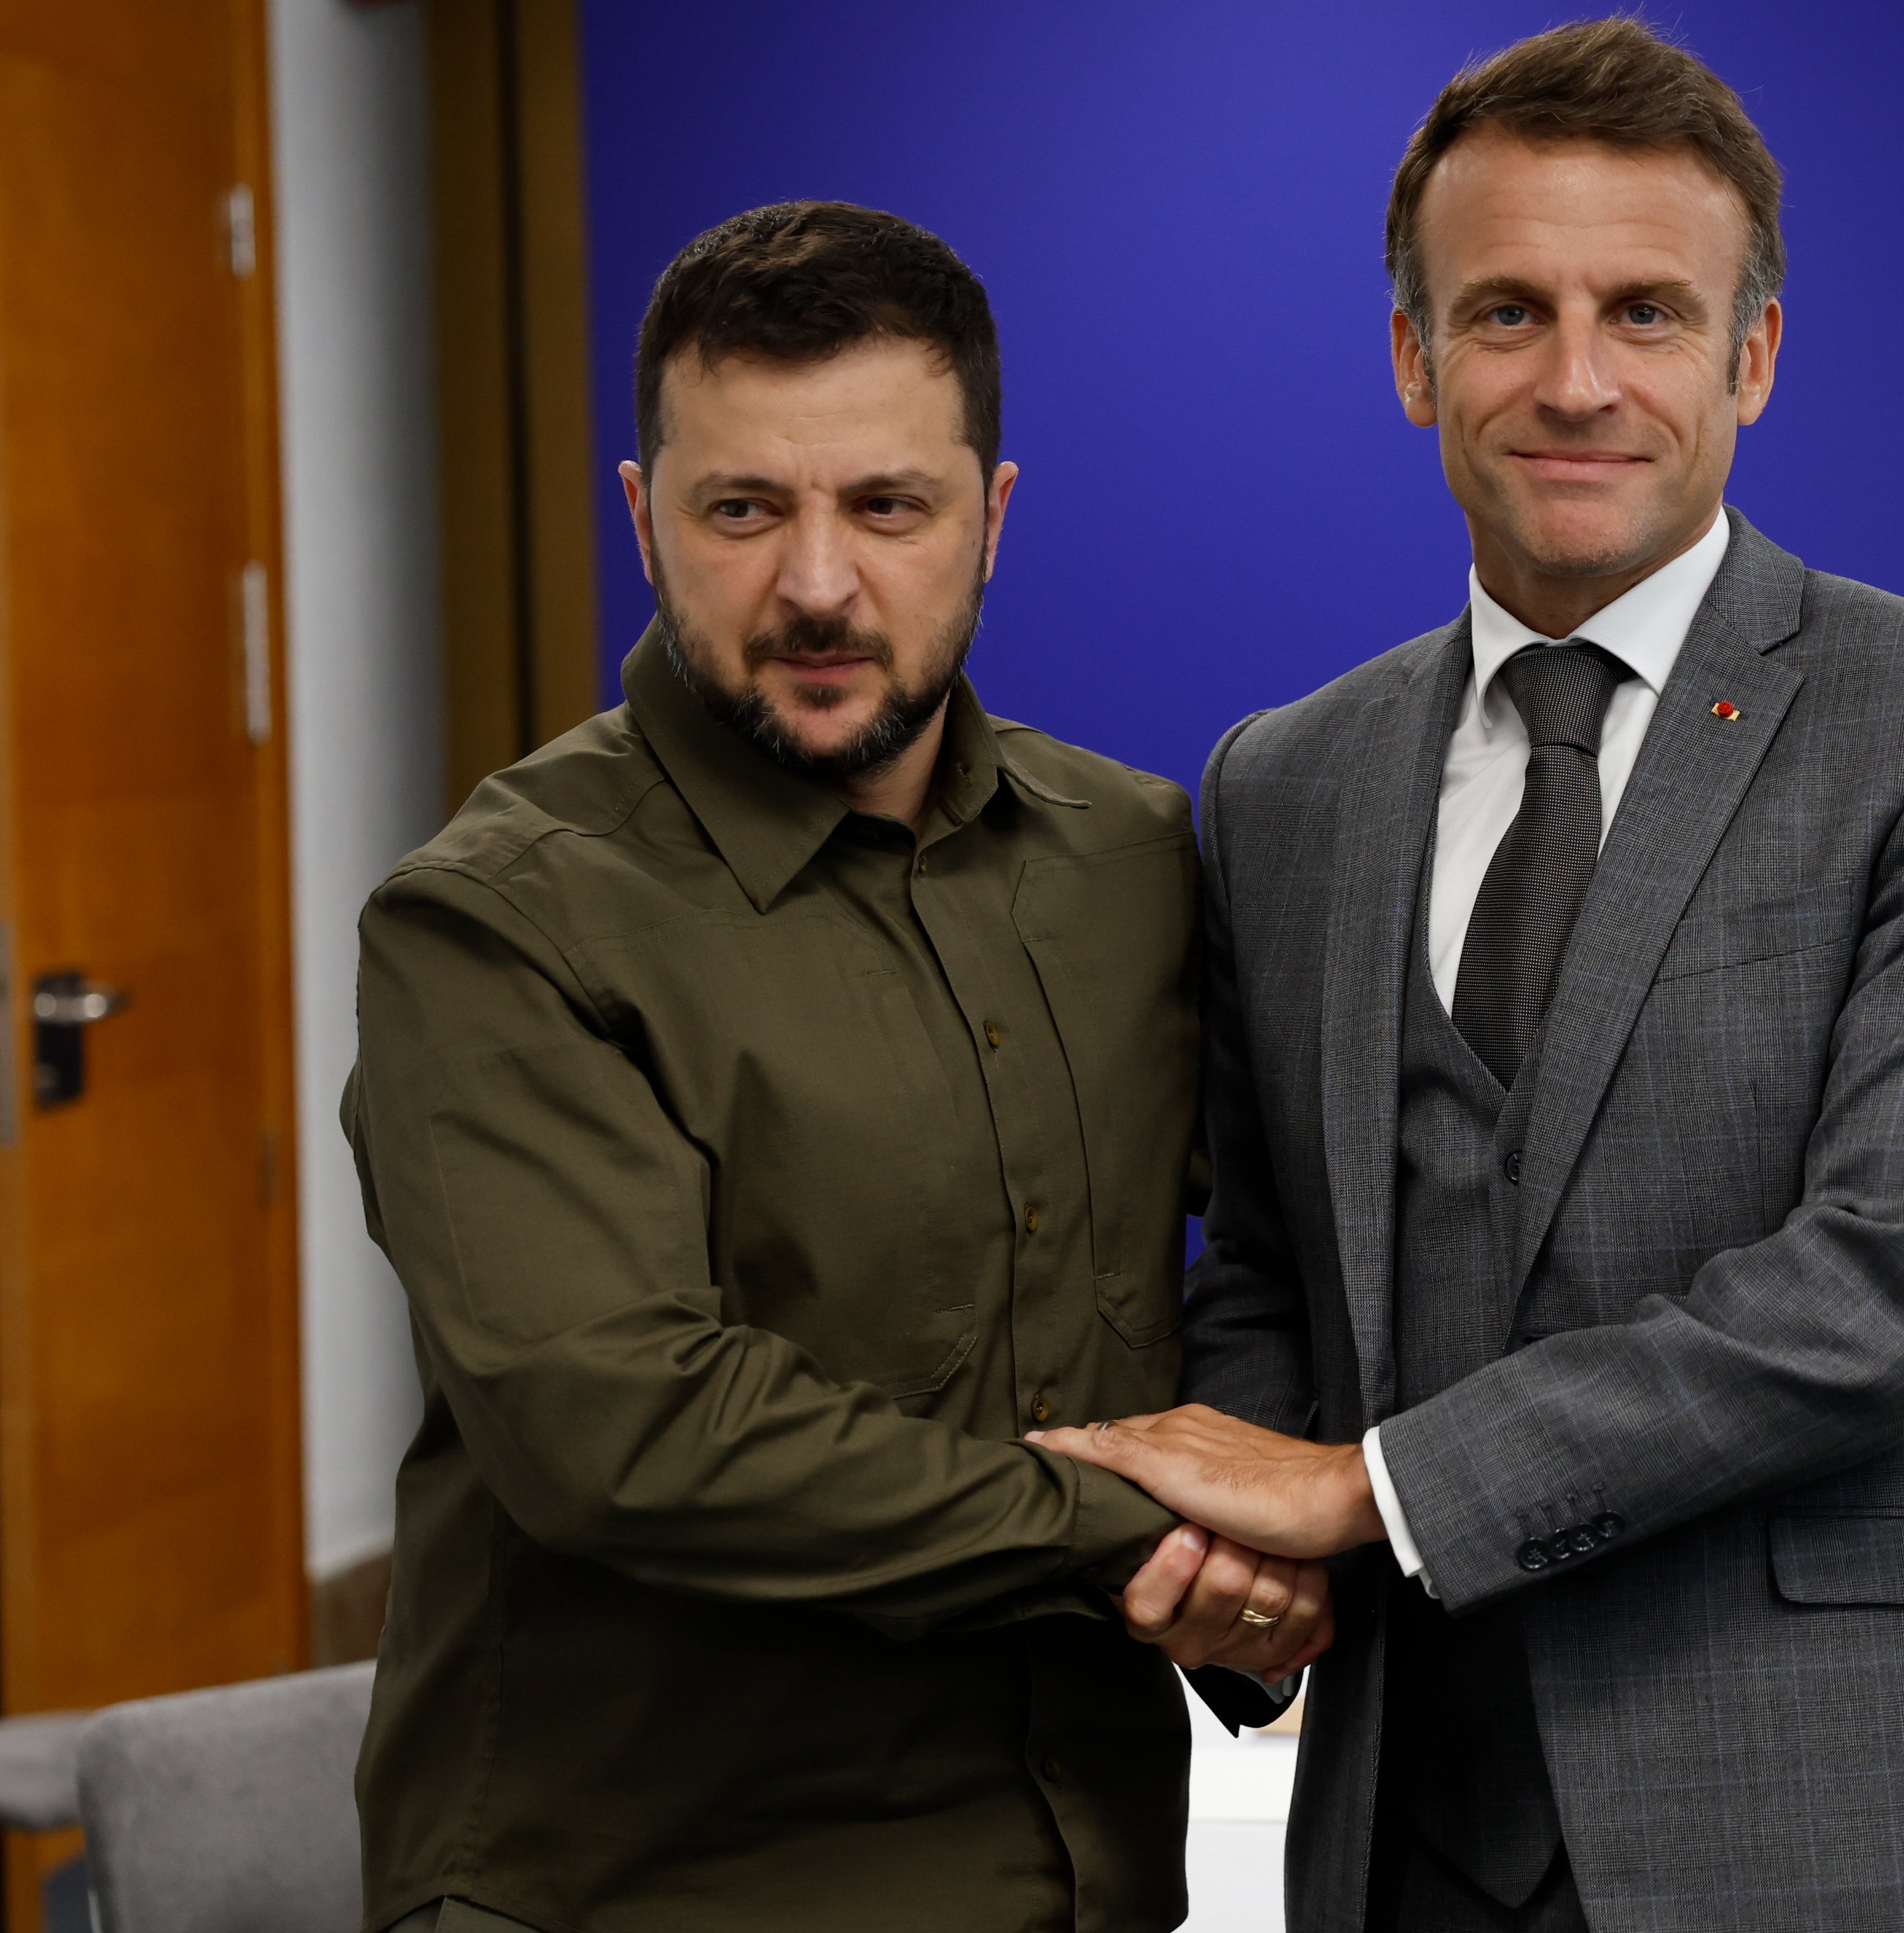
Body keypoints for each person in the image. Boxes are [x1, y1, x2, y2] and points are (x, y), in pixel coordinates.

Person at [1035, 21, 1904, 1932]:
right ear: (1410, 355)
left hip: (1847, 1824)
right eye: (1506, 312)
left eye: (1643, 311)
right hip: (1407, 1840)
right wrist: (1249, 1585)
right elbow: (1273, 1263)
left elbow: (1893, 1287)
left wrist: (1361, 1498)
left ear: (1751, 356)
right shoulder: (1282, 782)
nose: (1575, 379)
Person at [343, 201, 1324, 1933]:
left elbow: (1263, 1259)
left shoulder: (1132, 859)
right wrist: (1131, 1536)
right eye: (743, 508)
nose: (815, 582)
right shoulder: (494, 924)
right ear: (643, 517)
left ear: (989, 520)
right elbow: (623, 1427)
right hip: (651, 1890)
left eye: (887, 505)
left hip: (1085, 1873)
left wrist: (1286, 1543)